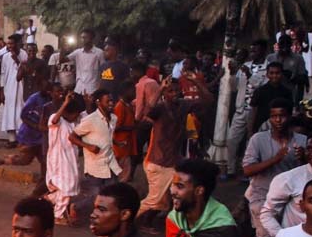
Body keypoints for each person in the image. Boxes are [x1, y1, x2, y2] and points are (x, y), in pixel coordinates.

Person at [136, 75, 212, 228]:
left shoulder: (183, 105)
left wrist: (196, 81)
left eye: (176, 91)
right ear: (164, 94)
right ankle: (126, 220)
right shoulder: (160, 108)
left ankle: (156, 223)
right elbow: (148, 109)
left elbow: (208, 100)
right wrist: (161, 89)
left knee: (168, 199)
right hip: (158, 162)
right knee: (154, 200)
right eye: (170, 91)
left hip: (172, 161)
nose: (174, 94)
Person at [242, 98, 307, 237]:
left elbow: (309, 172)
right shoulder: (258, 139)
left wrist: (304, 159)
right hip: (263, 199)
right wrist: (275, 159)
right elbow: (247, 170)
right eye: (274, 116)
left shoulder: (302, 141)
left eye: (282, 116)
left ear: (290, 116)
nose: (278, 120)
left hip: (292, 202)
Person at [68, 89, 120, 225]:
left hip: (110, 163)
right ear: (98, 102)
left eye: (112, 101)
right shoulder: (90, 120)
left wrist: (117, 143)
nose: (111, 104)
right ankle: (76, 207)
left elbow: (107, 136)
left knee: (112, 195)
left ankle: (104, 220)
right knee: (96, 196)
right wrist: (88, 146)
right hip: (95, 165)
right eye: (107, 101)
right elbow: (72, 136)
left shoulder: (114, 118)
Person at [0, 78, 52, 184]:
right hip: (29, 135)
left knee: (43, 160)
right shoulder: (33, 99)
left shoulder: (50, 99)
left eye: (50, 89)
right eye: (46, 89)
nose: (48, 91)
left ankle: (43, 182)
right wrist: (36, 126)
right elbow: (23, 116)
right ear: (40, 88)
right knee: (26, 160)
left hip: (41, 136)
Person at [225, 41, 269, 176]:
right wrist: (232, 74)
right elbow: (234, 87)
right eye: (251, 51)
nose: (252, 53)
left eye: (255, 51)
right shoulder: (246, 66)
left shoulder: (268, 68)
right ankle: (230, 170)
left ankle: (247, 170)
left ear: (263, 51)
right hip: (241, 110)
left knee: (251, 143)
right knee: (232, 140)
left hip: (255, 112)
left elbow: (263, 87)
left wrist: (250, 75)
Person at [45, 92, 85, 224]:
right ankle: (58, 215)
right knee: (66, 187)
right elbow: (54, 120)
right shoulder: (57, 120)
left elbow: (86, 116)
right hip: (59, 159)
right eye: (76, 113)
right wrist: (65, 103)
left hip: (70, 159)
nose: (77, 116)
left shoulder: (73, 122)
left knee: (69, 186)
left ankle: (49, 199)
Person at [0, 34, 27, 144]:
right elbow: (3, 74)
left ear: (18, 43)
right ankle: (12, 140)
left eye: (11, 43)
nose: (9, 46)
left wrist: (17, 59)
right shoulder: (5, 56)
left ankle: (22, 139)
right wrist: (2, 91)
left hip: (21, 88)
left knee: (20, 112)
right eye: (8, 44)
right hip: (8, 88)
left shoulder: (24, 54)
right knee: (9, 113)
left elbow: (25, 70)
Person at [56, 29, 104, 97]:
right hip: (79, 89)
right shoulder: (77, 52)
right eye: (82, 37)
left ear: (92, 38)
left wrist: (99, 89)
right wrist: (62, 46)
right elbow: (61, 61)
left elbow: (104, 71)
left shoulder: (99, 53)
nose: (83, 39)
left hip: (93, 90)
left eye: (85, 37)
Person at [249, 61, 293, 133]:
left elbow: (289, 113)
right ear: (267, 74)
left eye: (277, 73)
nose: (274, 76)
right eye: (271, 73)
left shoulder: (287, 92)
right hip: (261, 127)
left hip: (280, 128)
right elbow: (253, 111)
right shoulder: (260, 91)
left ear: (282, 74)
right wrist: (250, 130)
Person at [111, 85, 136, 181]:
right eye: (132, 91)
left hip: (126, 146)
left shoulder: (127, 105)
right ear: (124, 93)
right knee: (122, 174)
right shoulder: (120, 106)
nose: (134, 93)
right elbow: (116, 127)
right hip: (121, 146)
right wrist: (131, 128)